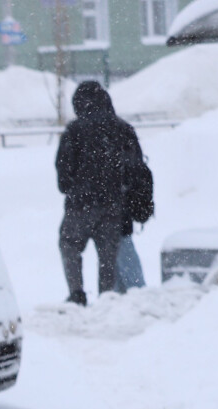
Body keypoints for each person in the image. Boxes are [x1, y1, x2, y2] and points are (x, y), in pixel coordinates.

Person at [55, 79, 146, 304]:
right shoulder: (123, 129)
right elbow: (136, 169)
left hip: (79, 206)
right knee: (107, 256)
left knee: (69, 246)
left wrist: (76, 186)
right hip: (113, 207)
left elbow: (63, 177)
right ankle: (106, 299)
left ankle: (77, 293)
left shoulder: (74, 131)